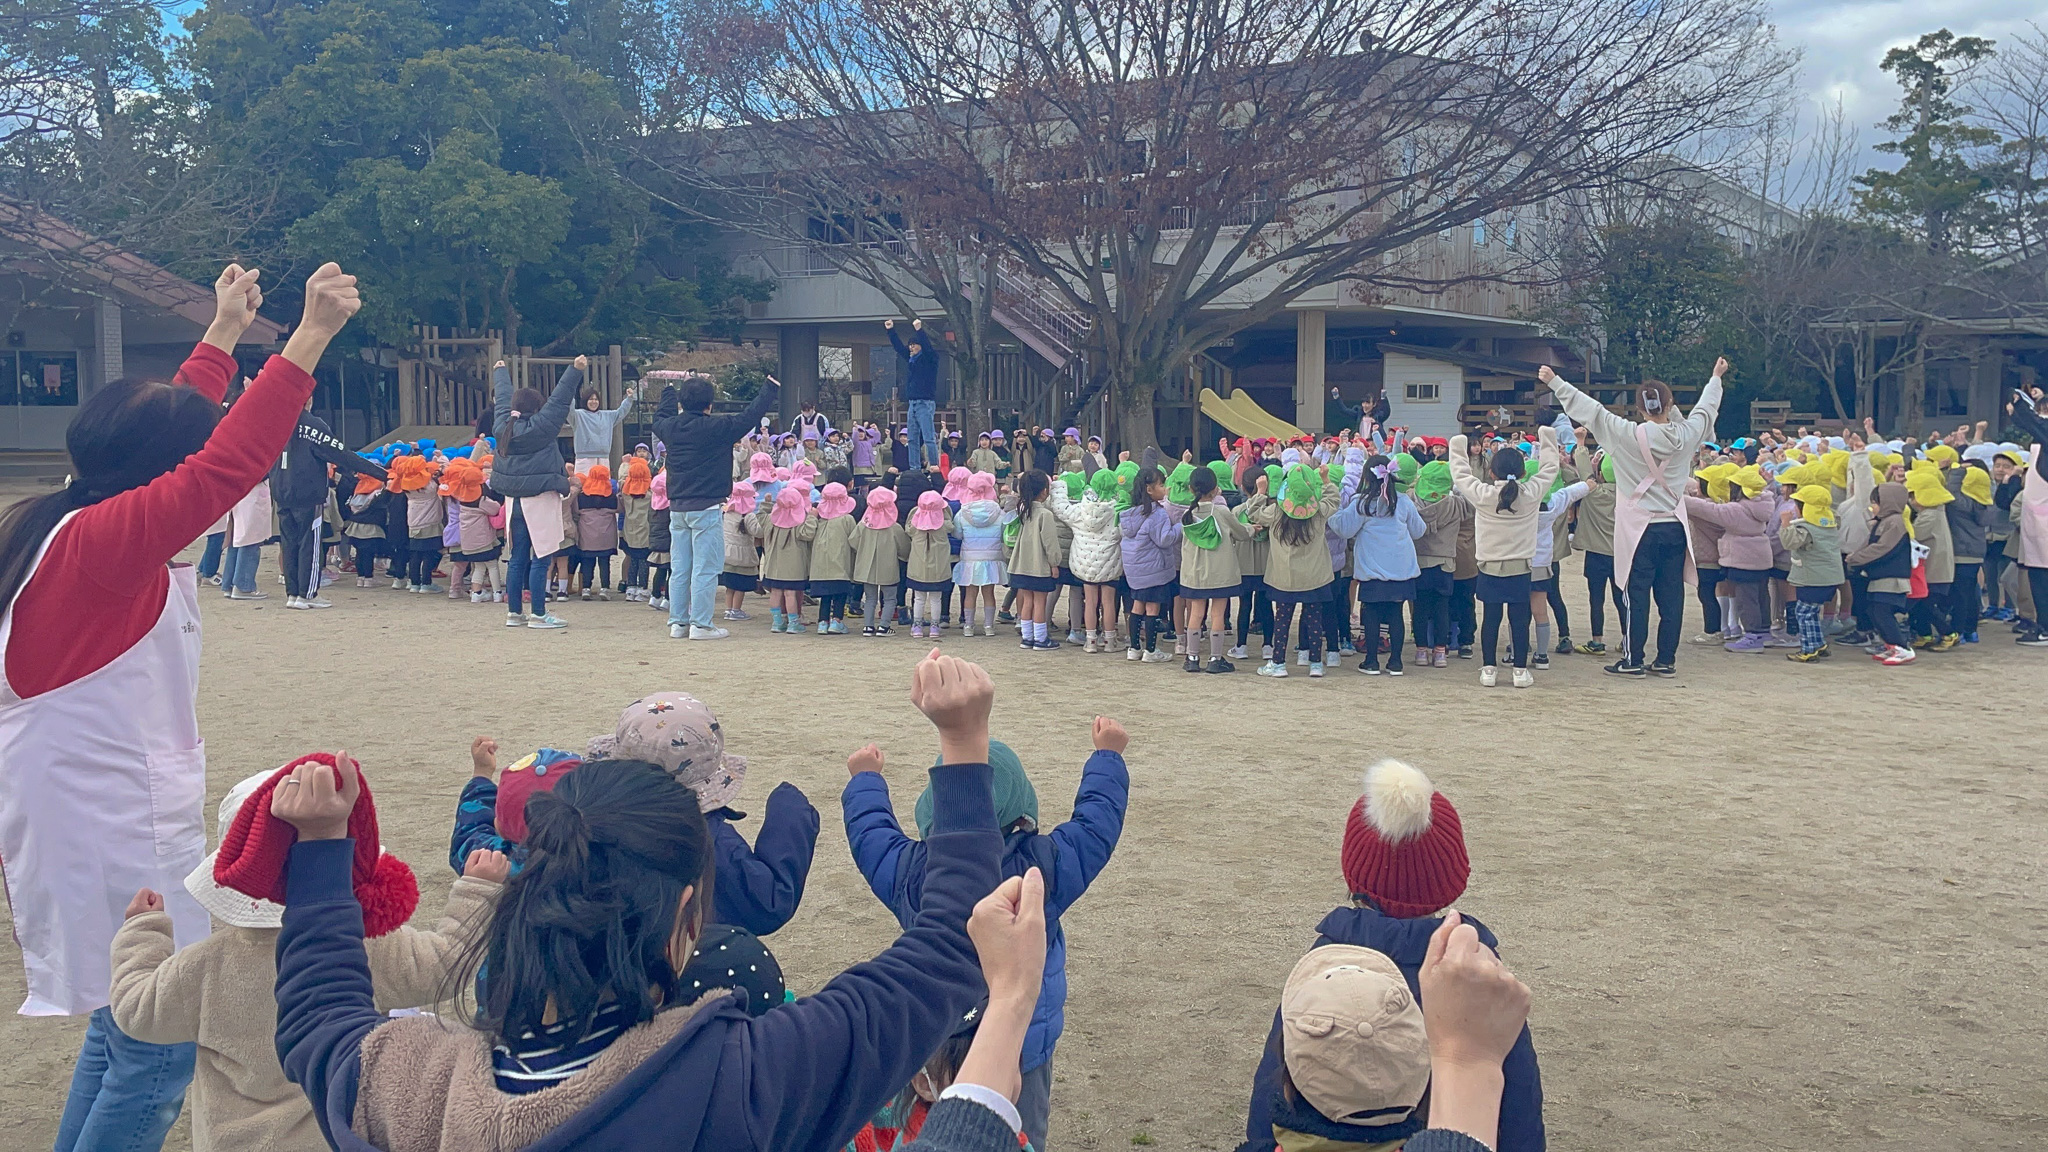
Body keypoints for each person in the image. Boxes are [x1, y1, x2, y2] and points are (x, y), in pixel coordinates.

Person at [269, 651, 1010, 1152]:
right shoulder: (740, 1079)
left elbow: (315, 1018)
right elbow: (946, 949)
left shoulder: (409, 1085)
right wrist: (963, 743)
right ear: (687, 920)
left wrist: (323, 846)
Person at [0, 262, 358, 1152]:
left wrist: (224, 331)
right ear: (156, 475)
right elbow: (223, 464)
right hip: (100, 812)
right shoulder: (104, 544)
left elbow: (172, 436)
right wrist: (307, 338)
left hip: (92, 801)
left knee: (125, 1017)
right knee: (160, 1041)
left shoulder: (73, 516)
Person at [109, 765, 504, 1152]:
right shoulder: (364, 948)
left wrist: (143, 933)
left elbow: (135, 1010)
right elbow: (445, 965)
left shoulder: (202, 967)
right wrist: (476, 891)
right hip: (332, 1132)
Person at [842, 716, 1130, 1152]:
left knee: (921, 1127)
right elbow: (1095, 826)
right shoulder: (1041, 870)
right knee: (1015, 1130)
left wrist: (866, 779)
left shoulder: (913, 872)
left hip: (933, 1038)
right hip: (1017, 1047)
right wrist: (1107, 757)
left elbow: (872, 836)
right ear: (1022, 811)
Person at [1239, 760, 1544, 1152]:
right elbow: (1518, 1111)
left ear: (1353, 869)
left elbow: (1275, 1086)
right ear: (1451, 878)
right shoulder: (1480, 984)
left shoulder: (1318, 972)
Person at [1540, 360, 1725, 677]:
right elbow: (1705, 411)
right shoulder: (1687, 433)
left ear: (1640, 408)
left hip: (1640, 528)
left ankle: (1633, 659)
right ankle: (1666, 660)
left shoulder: (1626, 433)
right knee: (1672, 596)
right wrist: (1715, 379)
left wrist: (1556, 381)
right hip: (1674, 525)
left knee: (1635, 595)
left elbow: (1591, 410)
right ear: (1669, 404)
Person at [655, 369, 783, 640]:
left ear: (682, 403)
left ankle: (678, 622)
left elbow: (660, 417)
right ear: (709, 405)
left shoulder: (670, 427)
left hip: (677, 507)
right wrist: (769, 388)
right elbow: (749, 416)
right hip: (707, 507)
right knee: (706, 568)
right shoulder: (718, 427)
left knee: (681, 568)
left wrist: (667, 392)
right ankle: (701, 625)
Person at [1448, 428, 1561, 688]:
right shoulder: (1530, 494)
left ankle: (1489, 669)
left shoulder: (1484, 495)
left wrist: (1458, 444)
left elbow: (1460, 474)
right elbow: (1550, 469)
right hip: (1520, 568)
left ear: (1491, 472)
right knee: (1519, 621)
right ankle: (1520, 671)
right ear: (1522, 473)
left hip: (1489, 567)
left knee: (1491, 619)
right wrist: (1547, 437)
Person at [491, 355, 585, 629]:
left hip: (513, 501)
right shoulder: (543, 427)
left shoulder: (503, 426)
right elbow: (560, 399)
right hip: (540, 499)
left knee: (517, 558)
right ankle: (539, 614)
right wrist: (575, 370)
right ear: (537, 408)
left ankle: (514, 613)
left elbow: (502, 400)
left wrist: (500, 373)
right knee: (542, 557)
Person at [271, 397, 385, 609]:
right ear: (309, 400)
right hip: (307, 493)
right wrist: (382, 474)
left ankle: (293, 593)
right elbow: (343, 455)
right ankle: (307, 594)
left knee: (289, 544)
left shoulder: (276, 423)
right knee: (309, 544)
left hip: (281, 491)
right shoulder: (313, 425)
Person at [1244, 464, 1349, 678]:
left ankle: (1278, 663)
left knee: (1282, 620)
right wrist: (1326, 480)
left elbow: (1253, 513)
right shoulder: (1318, 511)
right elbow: (1333, 500)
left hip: (1285, 577)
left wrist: (1260, 493)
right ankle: (1315, 663)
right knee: (1314, 619)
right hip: (1315, 577)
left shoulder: (1276, 511)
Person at [1330, 454, 1425, 676]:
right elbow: (1419, 530)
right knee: (1396, 613)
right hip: (1400, 567)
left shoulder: (1362, 502)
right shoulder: (1403, 501)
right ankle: (1396, 662)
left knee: (1371, 613)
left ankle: (1371, 661)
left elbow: (1344, 529)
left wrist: (1333, 513)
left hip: (1373, 567)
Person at [1174, 467, 1250, 672]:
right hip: (1220, 573)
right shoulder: (1222, 512)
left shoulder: (1187, 516)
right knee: (1218, 614)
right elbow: (1241, 533)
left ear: (1191, 489)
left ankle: (1192, 657)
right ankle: (1215, 659)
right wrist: (1252, 528)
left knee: (1196, 613)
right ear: (1216, 489)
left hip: (1194, 574)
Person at [1051, 468, 1124, 654]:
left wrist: (1059, 484)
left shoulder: (1080, 510)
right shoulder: (1119, 511)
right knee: (1108, 602)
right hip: (1110, 563)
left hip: (1084, 563)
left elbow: (1060, 508)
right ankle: (1109, 641)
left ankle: (1090, 641)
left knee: (1090, 601)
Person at [1845, 483, 1918, 665]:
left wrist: (1856, 558)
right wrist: (1855, 557)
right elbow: (1869, 544)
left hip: (1891, 576)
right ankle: (1891, 645)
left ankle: (1903, 647)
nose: (1873, 507)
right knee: (1873, 610)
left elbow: (1882, 548)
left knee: (1882, 611)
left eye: (1875, 503)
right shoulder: (1882, 521)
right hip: (1879, 576)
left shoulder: (1895, 522)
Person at [1118, 466, 1183, 662]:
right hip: (1154, 569)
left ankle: (1134, 648)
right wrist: (1180, 527)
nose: (1165, 488)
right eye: (1161, 485)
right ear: (1149, 489)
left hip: (1136, 570)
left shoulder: (1131, 514)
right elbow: (1165, 539)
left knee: (1137, 606)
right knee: (1153, 609)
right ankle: (1151, 650)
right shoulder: (1157, 514)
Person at [1778, 484, 1843, 662]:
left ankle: (1808, 649)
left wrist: (1785, 524)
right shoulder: (1830, 523)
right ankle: (1818, 643)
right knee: (1812, 612)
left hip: (1813, 579)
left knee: (1804, 612)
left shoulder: (1806, 529)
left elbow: (1789, 543)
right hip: (1829, 578)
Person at [1411, 460, 1466, 667]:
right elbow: (1471, 505)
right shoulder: (1455, 504)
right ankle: (1440, 652)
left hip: (1420, 561)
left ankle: (1421, 651)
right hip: (1445, 562)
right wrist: (1457, 487)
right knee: (1442, 607)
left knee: (1420, 608)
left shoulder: (1412, 501)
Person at [1007, 471, 1063, 651]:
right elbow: (1050, 543)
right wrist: (1055, 563)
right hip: (1039, 566)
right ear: (1044, 490)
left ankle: (1027, 637)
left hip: (1021, 564)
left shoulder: (1022, 510)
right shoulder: (1045, 514)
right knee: (1040, 601)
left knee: (1027, 600)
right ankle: (1040, 638)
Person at [751, 486, 819, 634]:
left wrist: (766, 504)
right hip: (794, 568)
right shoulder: (800, 521)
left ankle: (777, 622)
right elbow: (808, 534)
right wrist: (812, 517)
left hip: (773, 567)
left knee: (775, 593)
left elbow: (760, 517)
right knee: (790, 594)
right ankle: (793, 623)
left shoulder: (771, 520)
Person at [953, 473, 1011, 638]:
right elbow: (1003, 535)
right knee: (989, 593)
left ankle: (968, 626)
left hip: (970, 559)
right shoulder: (999, 513)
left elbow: (957, 534)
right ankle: (989, 626)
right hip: (991, 558)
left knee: (970, 593)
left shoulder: (962, 513)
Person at [1572, 452, 1619, 655]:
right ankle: (1627, 639)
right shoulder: (1630, 495)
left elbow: (1584, 472)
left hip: (1596, 553)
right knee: (1622, 598)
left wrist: (1581, 445)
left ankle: (1597, 641)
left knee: (1596, 599)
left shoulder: (1593, 492)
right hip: (1621, 554)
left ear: (1600, 473)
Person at [855, 485, 912, 636]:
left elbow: (853, 541)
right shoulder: (894, 527)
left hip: (867, 567)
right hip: (888, 567)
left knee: (870, 598)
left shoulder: (863, 525)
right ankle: (884, 627)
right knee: (890, 598)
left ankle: (868, 627)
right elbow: (904, 548)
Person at [889, 318, 941, 469]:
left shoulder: (929, 359)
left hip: (925, 402)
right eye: (910, 345)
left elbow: (928, 347)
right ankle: (914, 468)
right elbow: (899, 348)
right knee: (912, 438)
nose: (911, 348)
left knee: (928, 437)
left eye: (914, 345)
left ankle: (934, 466)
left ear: (920, 346)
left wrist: (919, 330)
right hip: (912, 403)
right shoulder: (911, 360)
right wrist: (891, 330)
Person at [812, 481, 861, 634]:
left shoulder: (819, 518)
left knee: (825, 596)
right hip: (840, 563)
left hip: (820, 565)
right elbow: (854, 540)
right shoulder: (847, 519)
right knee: (840, 593)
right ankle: (837, 621)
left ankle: (822, 622)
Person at [907, 490, 958, 639]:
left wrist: (917, 512)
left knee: (919, 598)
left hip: (919, 567)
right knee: (936, 598)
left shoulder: (915, 524)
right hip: (939, 568)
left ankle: (917, 626)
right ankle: (935, 627)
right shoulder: (944, 524)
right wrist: (944, 512)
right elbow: (951, 526)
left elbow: (908, 529)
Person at [572, 464, 621, 600]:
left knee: (587, 561)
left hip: (587, 535)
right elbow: (620, 509)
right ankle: (605, 589)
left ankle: (586, 588)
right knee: (605, 562)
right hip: (606, 536)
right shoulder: (612, 497)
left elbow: (575, 511)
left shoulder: (581, 497)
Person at [572, 381, 639, 471]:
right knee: (584, 481)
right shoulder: (578, 415)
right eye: (591, 399)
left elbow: (621, 412)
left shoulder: (607, 416)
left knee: (603, 480)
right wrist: (569, 394)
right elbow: (568, 409)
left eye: (596, 399)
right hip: (584, 459)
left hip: (603, 458)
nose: (594, 402)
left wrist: (629, 398)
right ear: (585, 400)